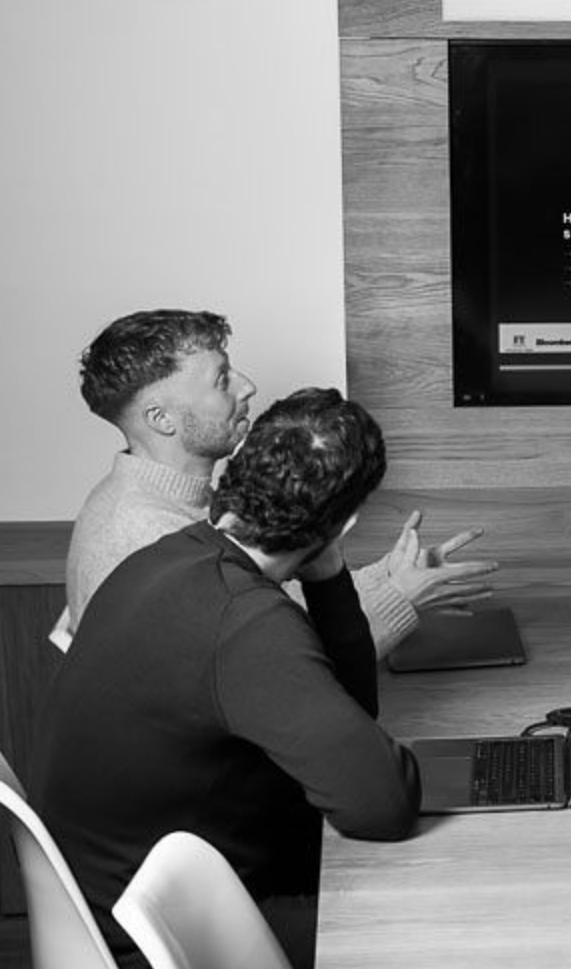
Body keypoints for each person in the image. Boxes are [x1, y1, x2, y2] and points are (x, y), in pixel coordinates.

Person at [31, 388, 423, 968]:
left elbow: (351, 707)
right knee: (429, 918)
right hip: (173, 939)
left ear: (241, 466)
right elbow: (381, 806)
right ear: (346, 523)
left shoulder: (170, 556)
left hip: (115, 907)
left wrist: (327, 569)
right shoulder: (245, 623)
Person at [61, 309, 496, 653]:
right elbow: (283, 669)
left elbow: (283, 607)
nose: (247, 386)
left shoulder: (174, 505)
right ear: (160, 419)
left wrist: (392, 577)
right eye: (221, 379)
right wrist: (402, 601)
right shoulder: (148, 539)